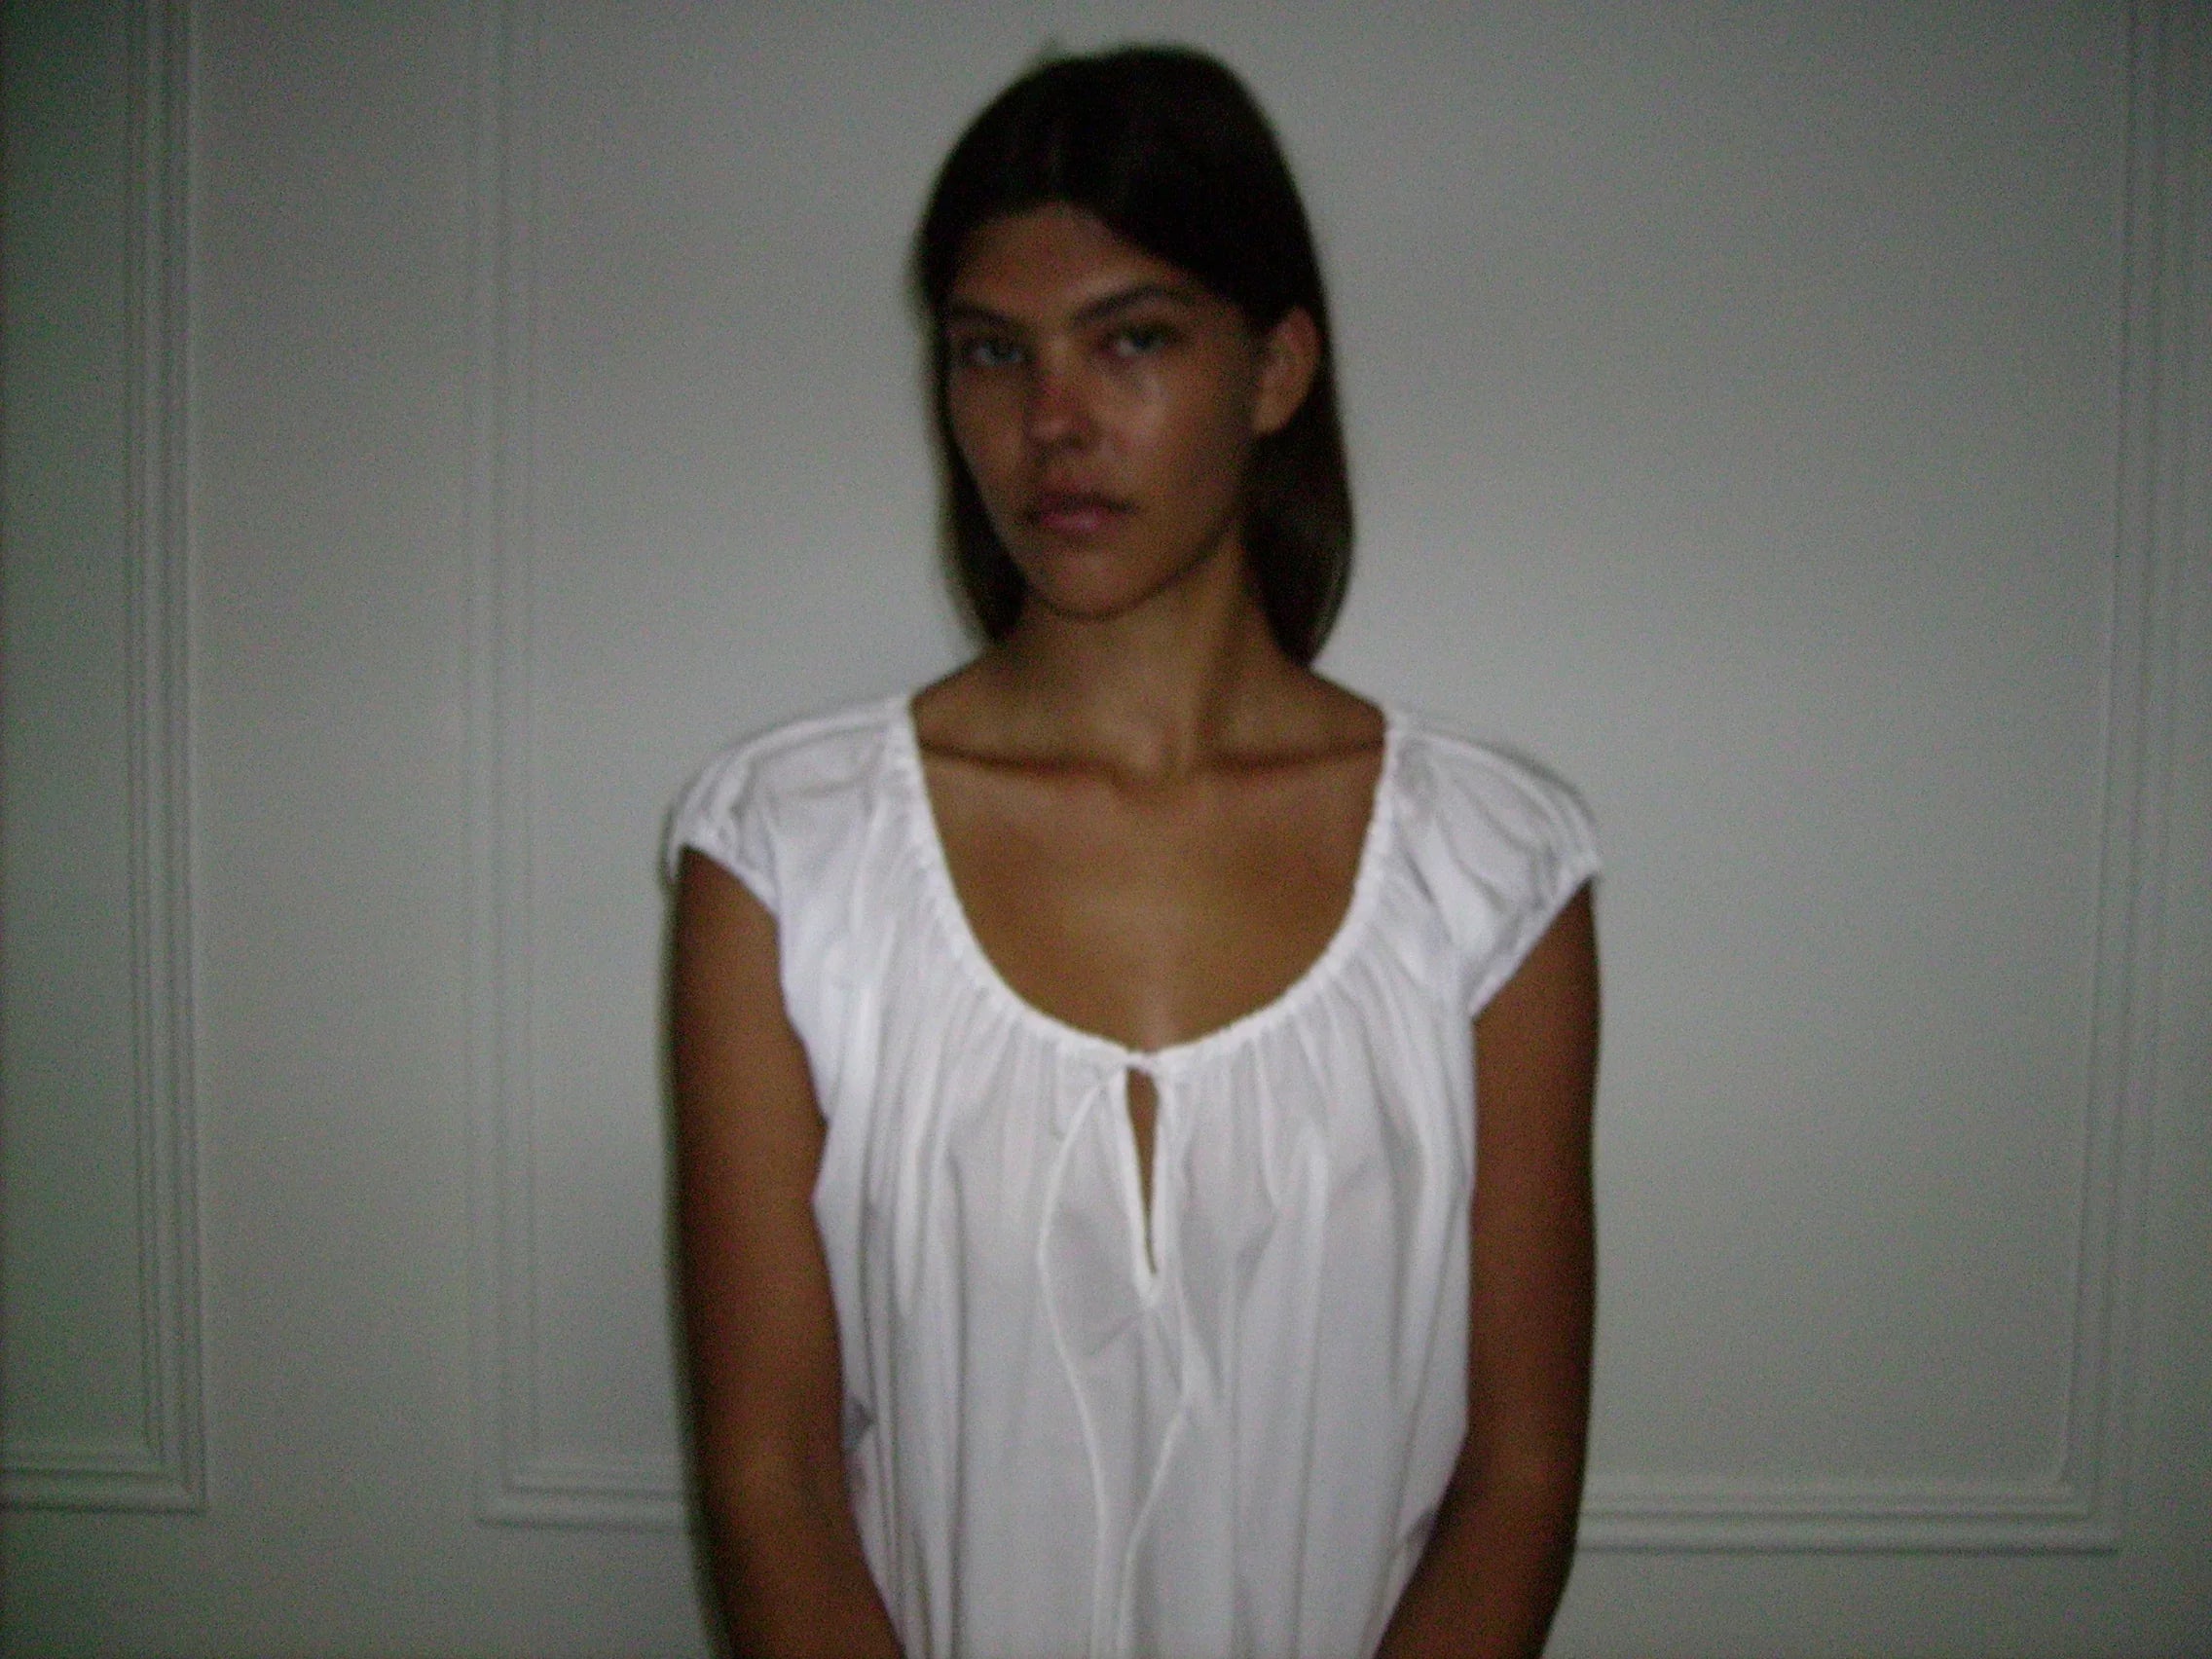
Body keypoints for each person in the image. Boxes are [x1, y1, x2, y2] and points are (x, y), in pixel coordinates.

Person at [667, 45, 1599, 1659]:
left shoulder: (1491, 875)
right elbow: (774, 1487)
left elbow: (1515, 1477)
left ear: (1277, 368)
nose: (1052, 423)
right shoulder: (783, 858)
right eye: (992, 353)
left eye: (1134, 340)